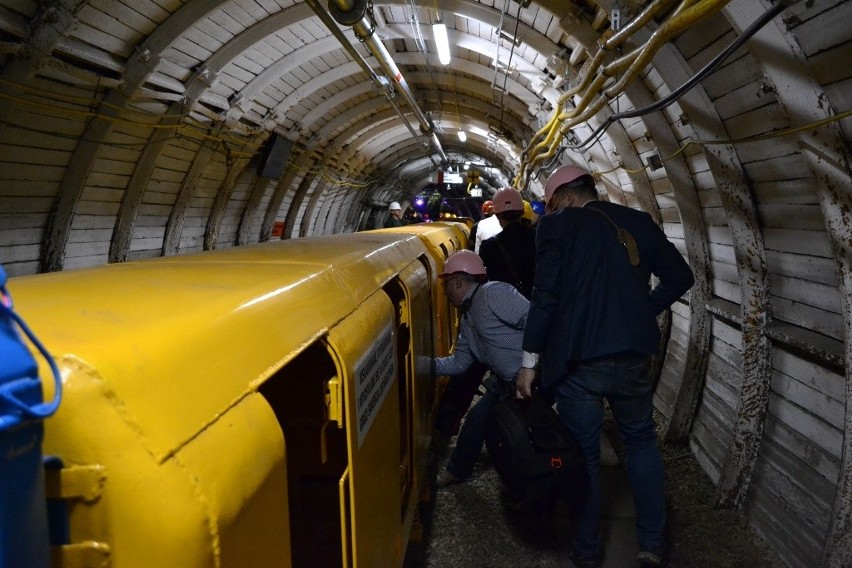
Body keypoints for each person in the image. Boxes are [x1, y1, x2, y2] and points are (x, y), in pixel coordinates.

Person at [515, 165, 695, 568]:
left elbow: (545, 297)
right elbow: (680, 277)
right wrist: (641, 311)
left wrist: (529, 362)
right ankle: (651, 544)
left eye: (550, 202)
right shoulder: (638, 222)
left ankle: (589, 548)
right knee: (641, 442)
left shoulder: (556, 228)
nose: (549, 208)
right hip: (633, 355)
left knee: (584, 453)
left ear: (564, 196)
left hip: (581, 360)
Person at [433, 250, 529, 488]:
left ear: (458, 282)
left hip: (529, 380)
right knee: (476, 421)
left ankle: (529, 487)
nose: (444, 293)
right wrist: (423, 365)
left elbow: (534, 320)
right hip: (505, 383)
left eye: (446, 286)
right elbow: (460, 363)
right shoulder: (467, 319)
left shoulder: (493, 293)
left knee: (524, 436)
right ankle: (458, 470)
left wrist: (530, 366)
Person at [479, 188, 536, 299]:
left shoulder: (489, 247)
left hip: (505, 307)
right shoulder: (539, 238)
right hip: (537, 305)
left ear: (497, 214)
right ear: (522, 212)